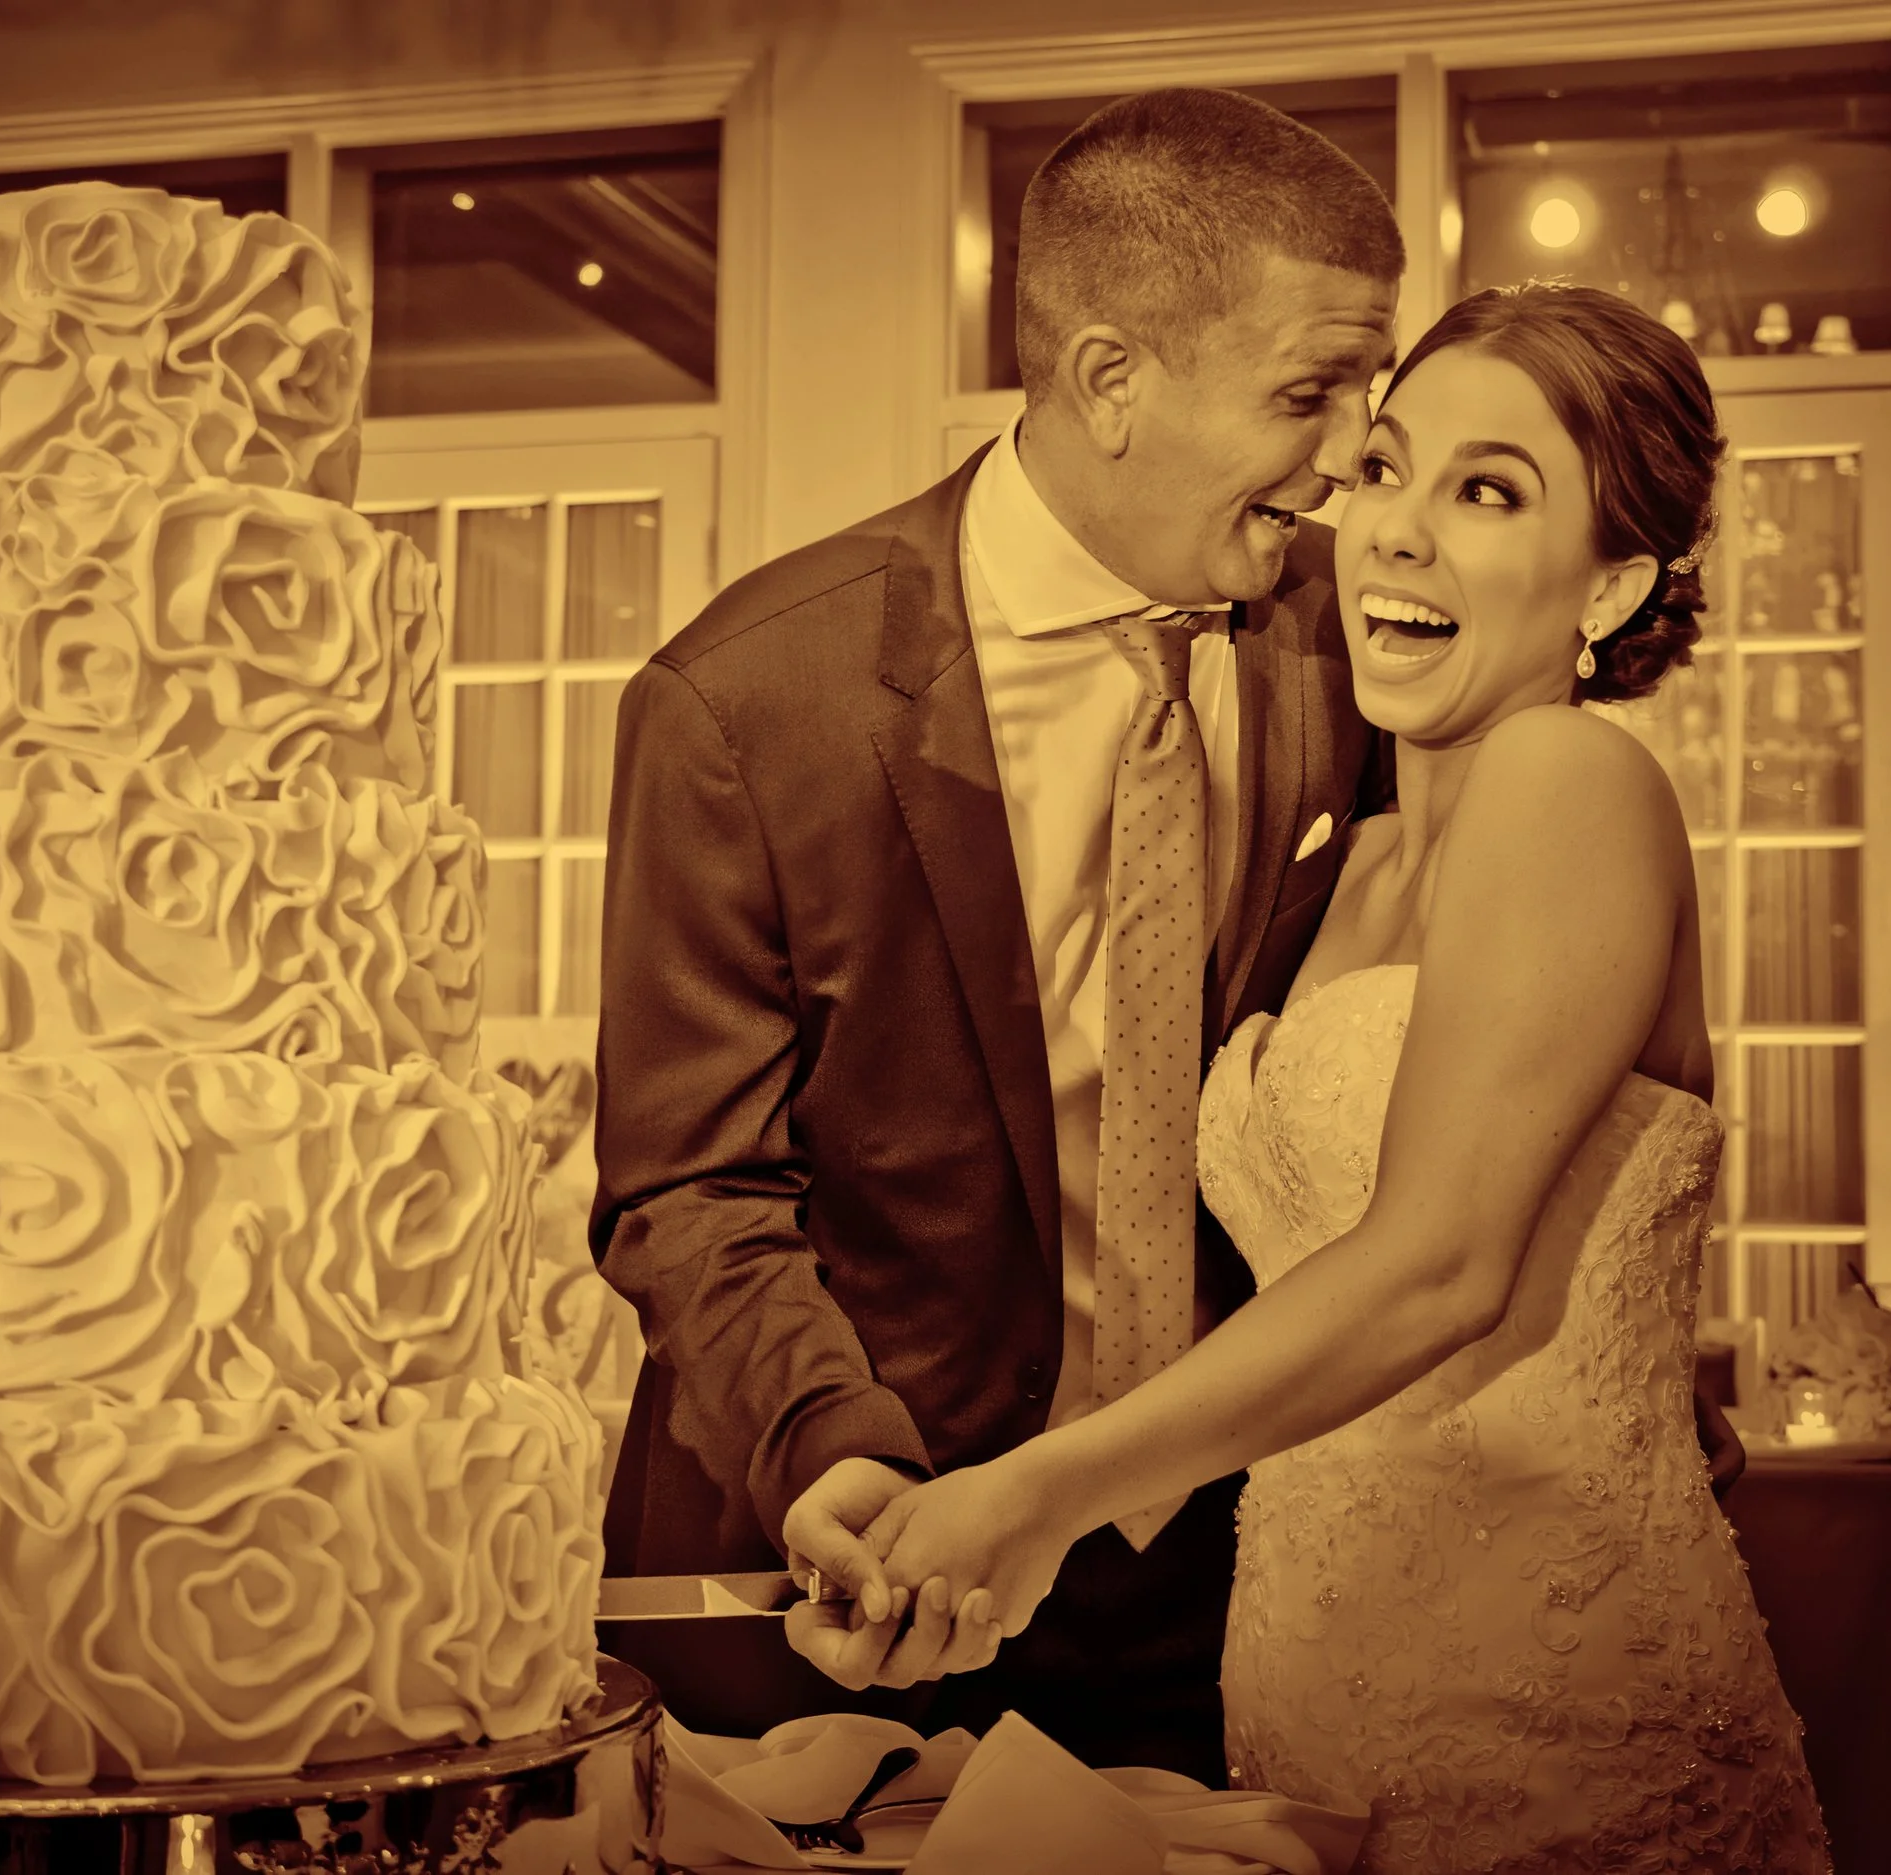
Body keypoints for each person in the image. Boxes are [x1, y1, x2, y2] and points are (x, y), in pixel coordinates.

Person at [848, 283, 1832, 1870]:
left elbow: (1439, 1260)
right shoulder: (1346, 857)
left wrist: (1037, 1494)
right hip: (1309, 1669)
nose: (1397, 533)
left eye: (1489, 492)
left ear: (1616, 581)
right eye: (1383, 469)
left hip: (1548, 1684)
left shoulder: (1574, 782)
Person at [590, 87, 1402, 1781]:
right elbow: (689, 1184)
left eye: (1363, 392)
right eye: (1308, 390)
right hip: (857, 1584)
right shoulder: (746, 698)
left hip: (1232, 1577)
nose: (1344, 454)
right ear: (1114, 380)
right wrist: (842, 1458)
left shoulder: (1354, 649)